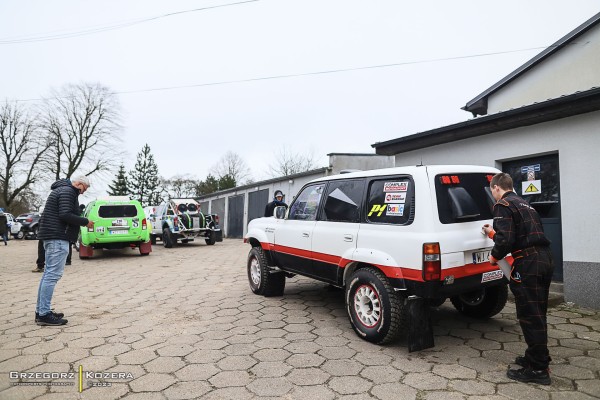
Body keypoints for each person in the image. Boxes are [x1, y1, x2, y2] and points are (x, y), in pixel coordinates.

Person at [482, 172, 553, 385]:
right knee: (538, 311)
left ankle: (538, 370)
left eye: (492, 191)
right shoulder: (524, 203)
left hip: (529, 263)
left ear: (496, 188)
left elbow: (506, 240)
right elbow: (519, 234)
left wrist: (494, 257)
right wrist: (493, 233)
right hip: (545, 258)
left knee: (530, 315)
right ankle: (535, 358)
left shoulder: (502, 205)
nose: (493, 195)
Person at [35, 176, 93, 326]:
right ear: (79, 184)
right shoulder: (68, 191)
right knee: (52, 275)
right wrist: (85, 222)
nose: (82, 193)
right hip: (57, 237)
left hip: (52, 236)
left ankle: (41, 310)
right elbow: (65, 214)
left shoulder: (61, 189)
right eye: (84, 189)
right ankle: (44, 314)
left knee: (48, 274)